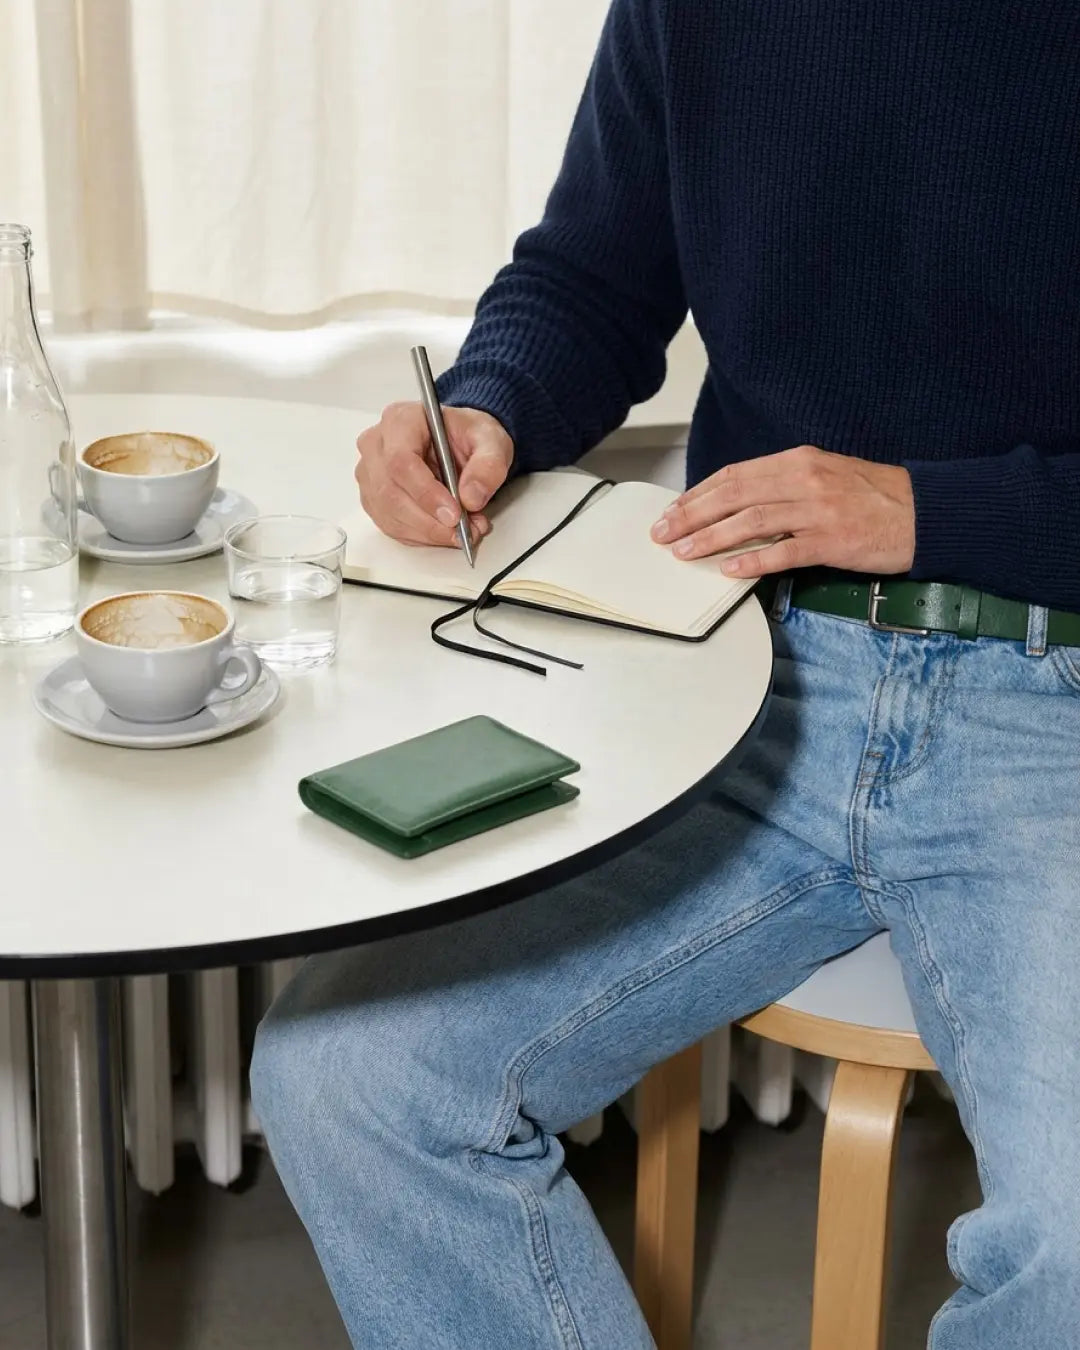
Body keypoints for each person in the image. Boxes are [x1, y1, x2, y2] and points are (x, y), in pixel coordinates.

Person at [250, 2, 1080, 1345]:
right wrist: (488, 406)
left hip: (1054, 703)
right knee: (351, 1078)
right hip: (744, 673)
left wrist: (931, 510)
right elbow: (591, 279)